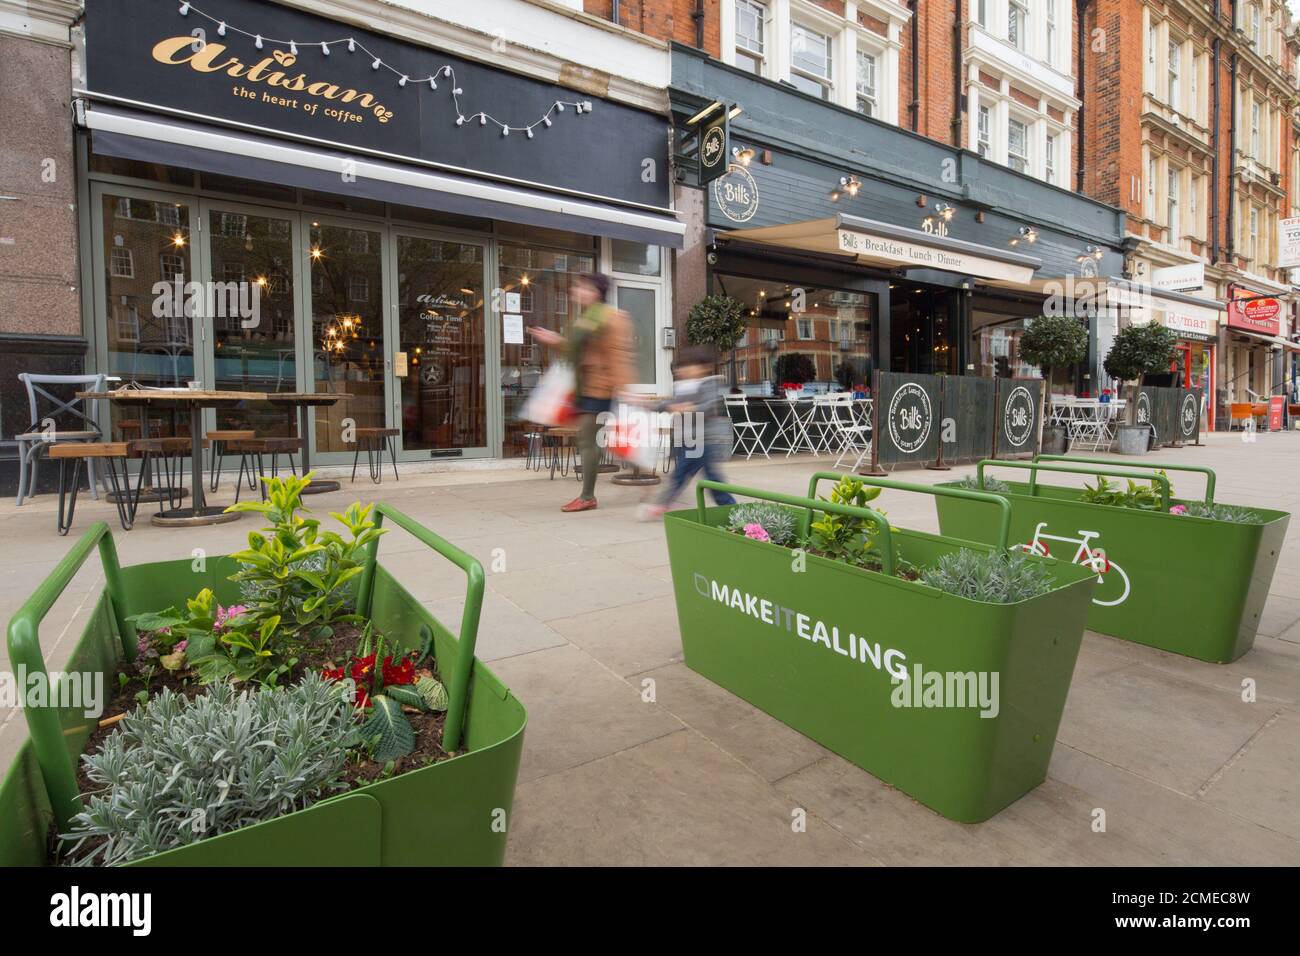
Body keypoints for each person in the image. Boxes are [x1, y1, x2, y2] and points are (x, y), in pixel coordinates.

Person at [528, 273, 633, 513]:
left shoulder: (611, 318)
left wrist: (625, 388)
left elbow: (619, 354)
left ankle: (587, 496)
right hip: (584, 386)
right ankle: (589, 493)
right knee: (588, 440)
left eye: (582, 287)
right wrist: (555, 340)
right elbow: (577, 350)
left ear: (596, 291)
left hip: (600, 386)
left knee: (588, 441)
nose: (576, 291)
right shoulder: (585, 319)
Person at [640, 345, 736, 520]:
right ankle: (731, 509)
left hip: (706, 440)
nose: (684, 370)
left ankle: (732, 509)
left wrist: (689, 408)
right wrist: (651, 406)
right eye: (682, 367)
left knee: (698, 477)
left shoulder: (709, 384)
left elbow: (709, 406)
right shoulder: (681, 387)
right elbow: (669, 405)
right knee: (695, 476)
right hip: (689, 440)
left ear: (704, 368)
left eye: (690, 366)